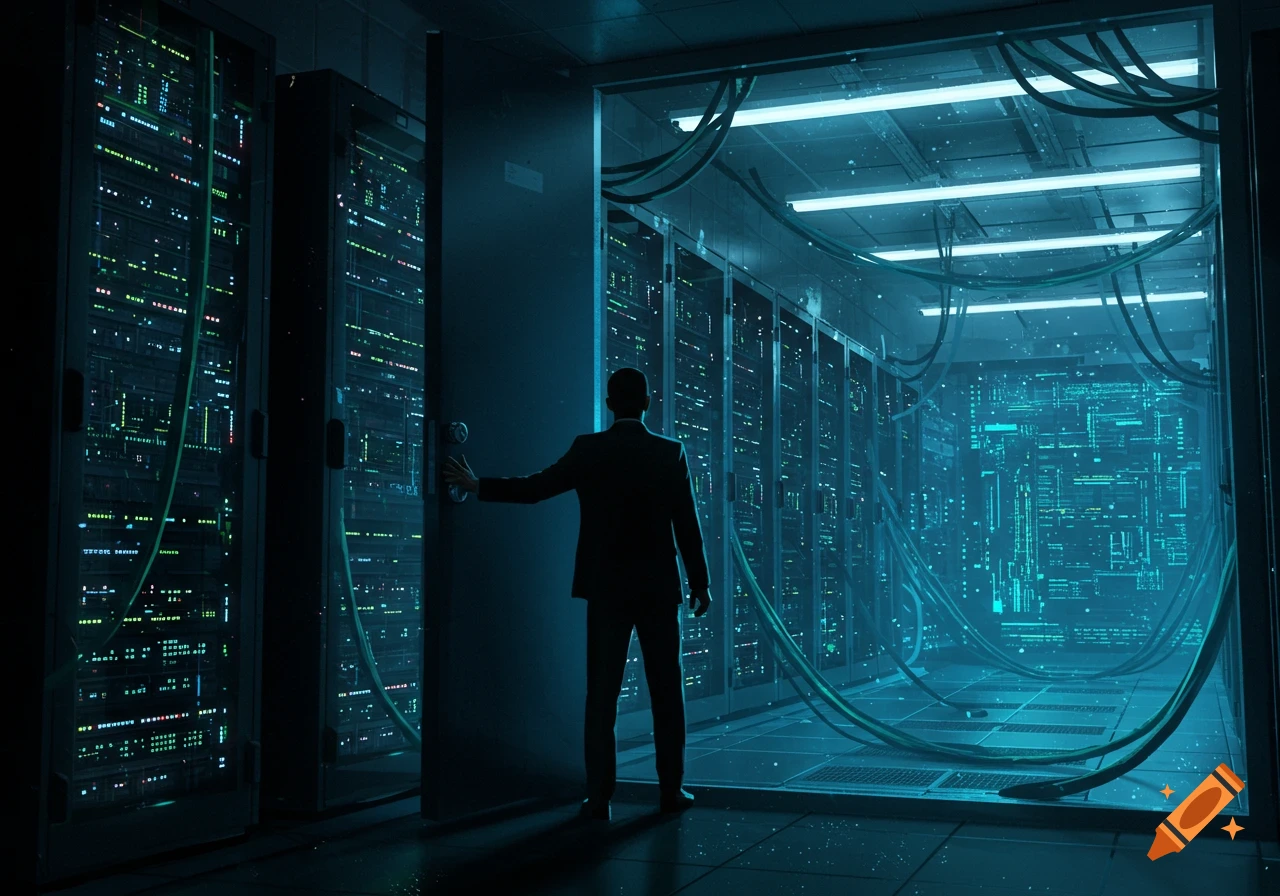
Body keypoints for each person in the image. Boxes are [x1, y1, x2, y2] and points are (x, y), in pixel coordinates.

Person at [442, 367, 711, 822]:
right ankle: (671, 791)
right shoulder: (669, 453)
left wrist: (478, 485)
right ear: (647, 403)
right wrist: (699, 582)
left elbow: (535, 489)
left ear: (609, 403)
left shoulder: (589, 451)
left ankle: (599, 797)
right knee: (667, 693)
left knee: (601, 694)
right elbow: (687, 524)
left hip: (605, 589)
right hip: (656, 590)